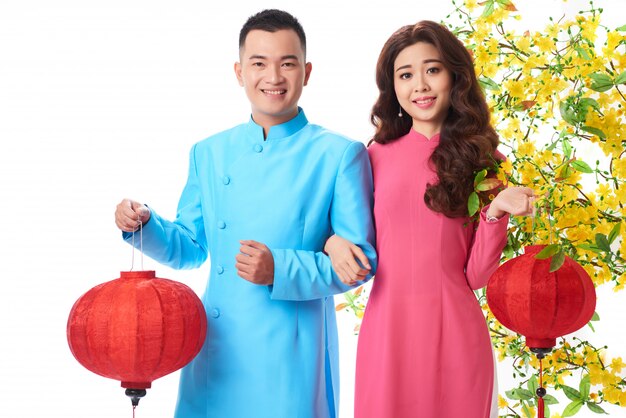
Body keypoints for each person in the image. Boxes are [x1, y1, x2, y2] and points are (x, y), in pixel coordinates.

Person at [114, 9, 376, 418]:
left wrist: (281, 268)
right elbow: (192, 247)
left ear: (307, 72)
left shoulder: (340, 155)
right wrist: (147, 223)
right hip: (216, 348)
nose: (273, 77)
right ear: (239, 72)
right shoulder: (209, 153)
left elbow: (358, 265)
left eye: (287, 63)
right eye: (259, 63)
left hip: (292, 356)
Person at [324, 21, 535, 417]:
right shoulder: (367, 160)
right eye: (406, 74)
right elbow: (339, 234)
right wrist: (331, 241)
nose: (419, 85)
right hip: (388, 334)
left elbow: (475, 277)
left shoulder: (486, 161)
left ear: (455, 76)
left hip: (456, 333)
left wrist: (496, 213)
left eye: (432, 70)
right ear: (393, 87)